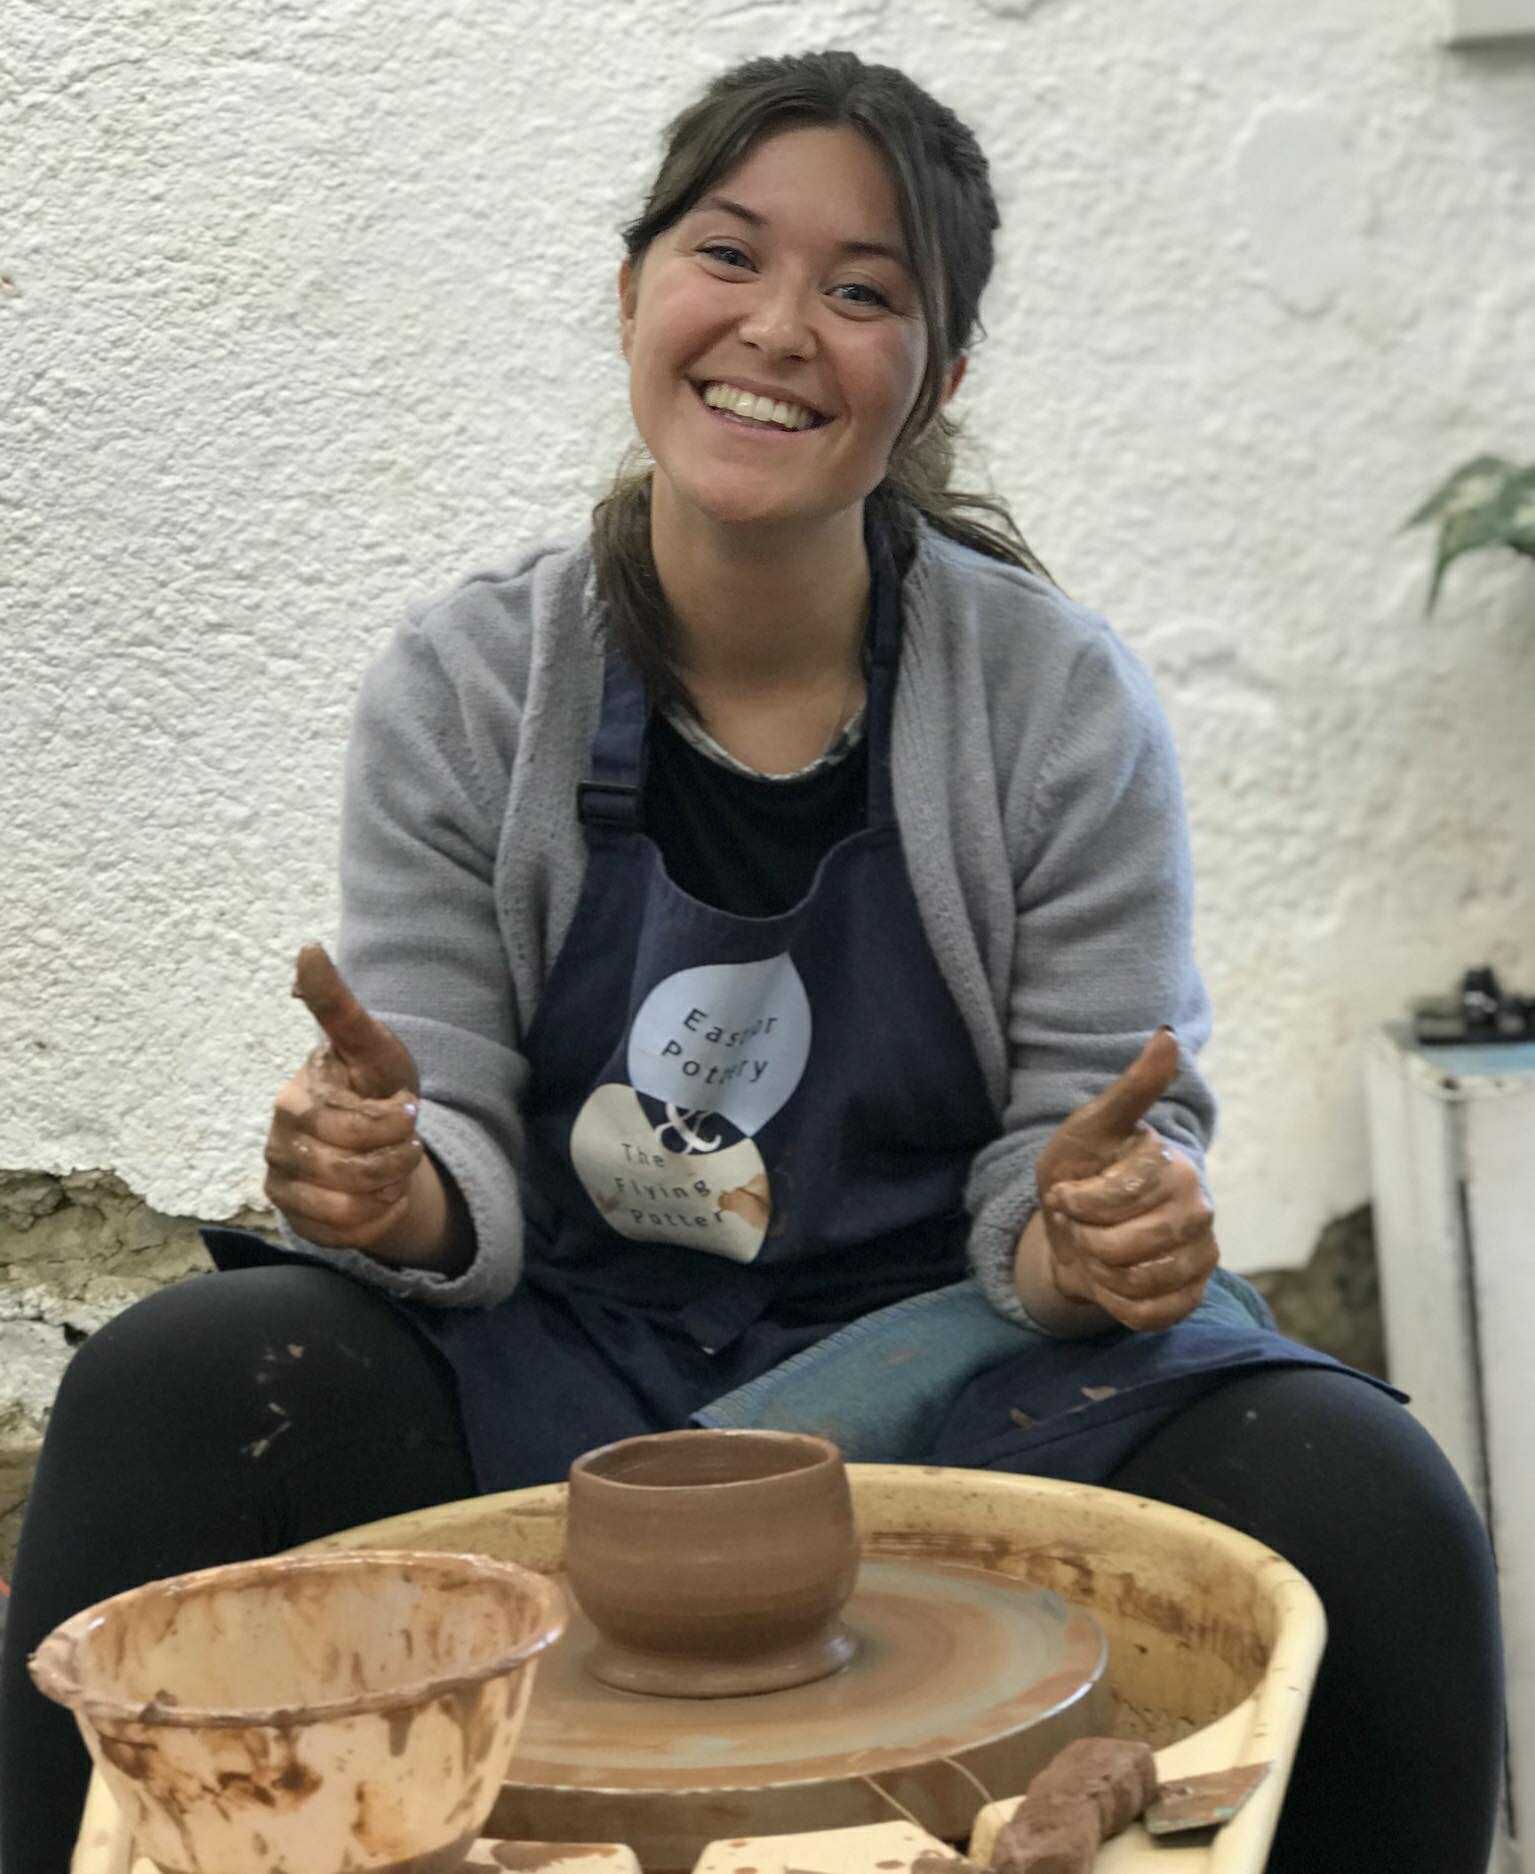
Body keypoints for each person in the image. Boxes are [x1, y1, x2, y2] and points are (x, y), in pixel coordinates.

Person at [1, 49, 1501, 1874]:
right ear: (634, 292)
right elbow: (444, 1131)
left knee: (1375, 1507)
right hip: (564, 1347)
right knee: (174, 1387)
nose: (782, 327)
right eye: (730, 255)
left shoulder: (1055, 707)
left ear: (934, 381)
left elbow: (1073, 1164)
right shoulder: (472, 688)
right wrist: (385, 1185)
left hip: (963, 1359)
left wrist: (1101, 1223)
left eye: (865, 291)